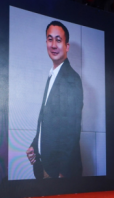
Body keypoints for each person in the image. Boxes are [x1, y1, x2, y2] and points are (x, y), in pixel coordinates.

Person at [26, 21, 84, 179]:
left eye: (58, 40)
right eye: (50, 39)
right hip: (44, 166)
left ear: (67, 46)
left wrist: (62, 173)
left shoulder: (71, 79)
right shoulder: (53, 74)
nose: (53, 45)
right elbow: (48, 122)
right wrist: (35, 146)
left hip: (57, 173)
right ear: (46, 42)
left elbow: (72, 131)